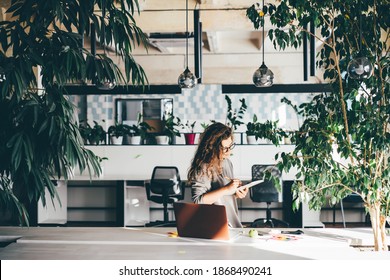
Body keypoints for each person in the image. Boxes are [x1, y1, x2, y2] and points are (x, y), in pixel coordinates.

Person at [187, 122, 248, 228]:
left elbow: (221, 196)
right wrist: (227, 189)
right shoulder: (203, 167)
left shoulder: (227, 162)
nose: (229, 151)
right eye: (225, 148)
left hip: (231, 224)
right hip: (214, 227)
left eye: (230, 146)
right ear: (212, 147)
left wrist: (235, 193)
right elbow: (198, 202)